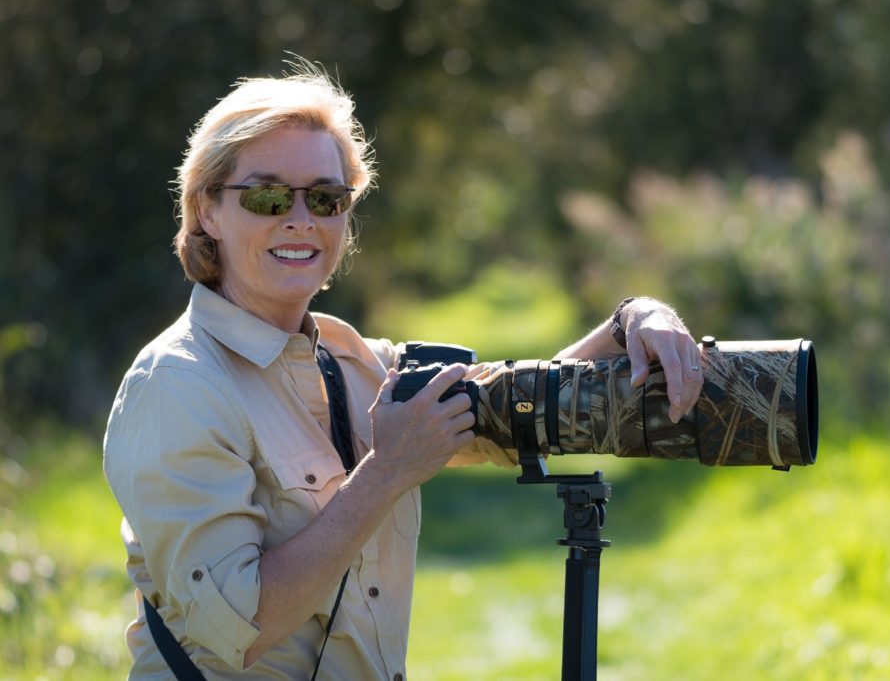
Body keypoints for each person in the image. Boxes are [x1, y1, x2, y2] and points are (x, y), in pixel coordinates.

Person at [103, 63, 704, 680]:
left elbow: (519, 408)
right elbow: (235, 627)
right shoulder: (177, 386)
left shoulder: (352, 359)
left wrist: (632, 317)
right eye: (268, 195)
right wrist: (385, 473)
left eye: (328, 198)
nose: (301, 218)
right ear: (205, 210)